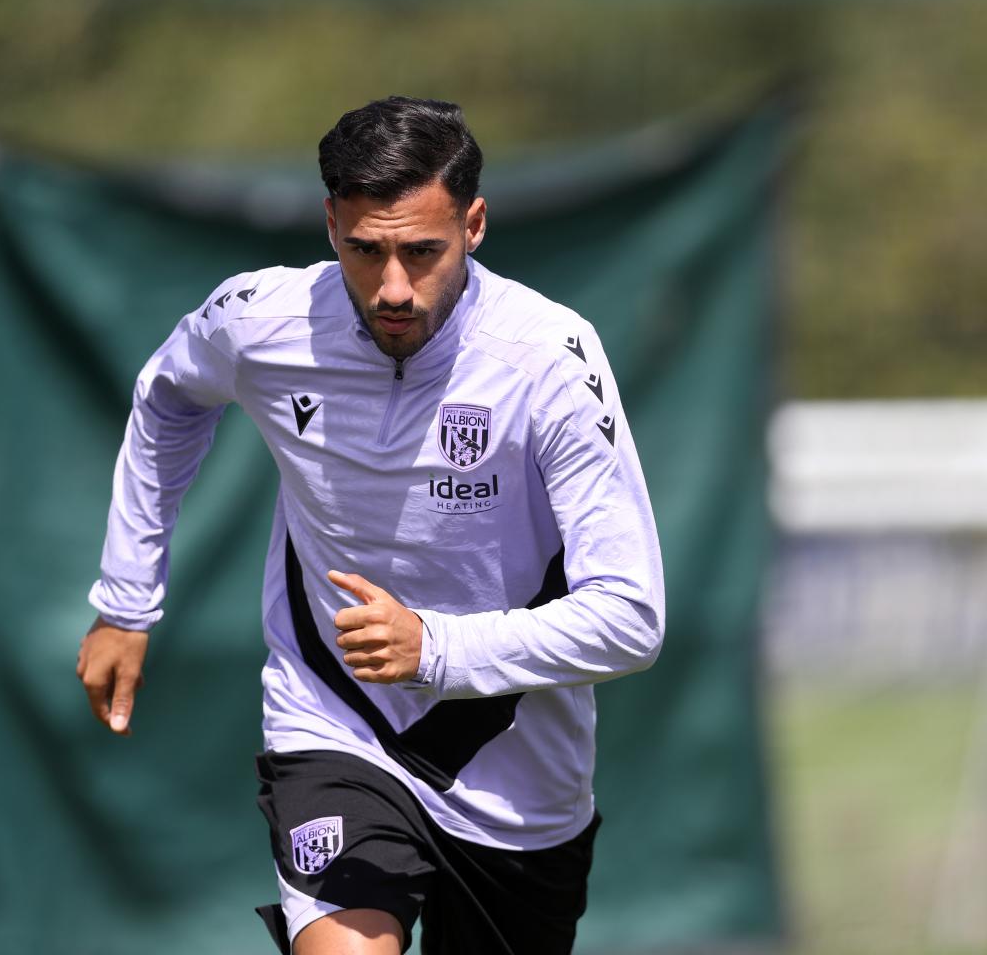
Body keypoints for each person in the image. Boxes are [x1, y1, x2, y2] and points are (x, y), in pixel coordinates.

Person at [79, 96, 665, 955]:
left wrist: (434, 650)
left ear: (474, 223)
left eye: (422, 252)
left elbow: (631, 618)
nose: (393, 287)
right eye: (365, 250)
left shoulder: (548, 359)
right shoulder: (260, 320)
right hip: (334, 721)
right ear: (329, 225)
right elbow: (167, 398)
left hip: (517, 782)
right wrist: (128, 597)